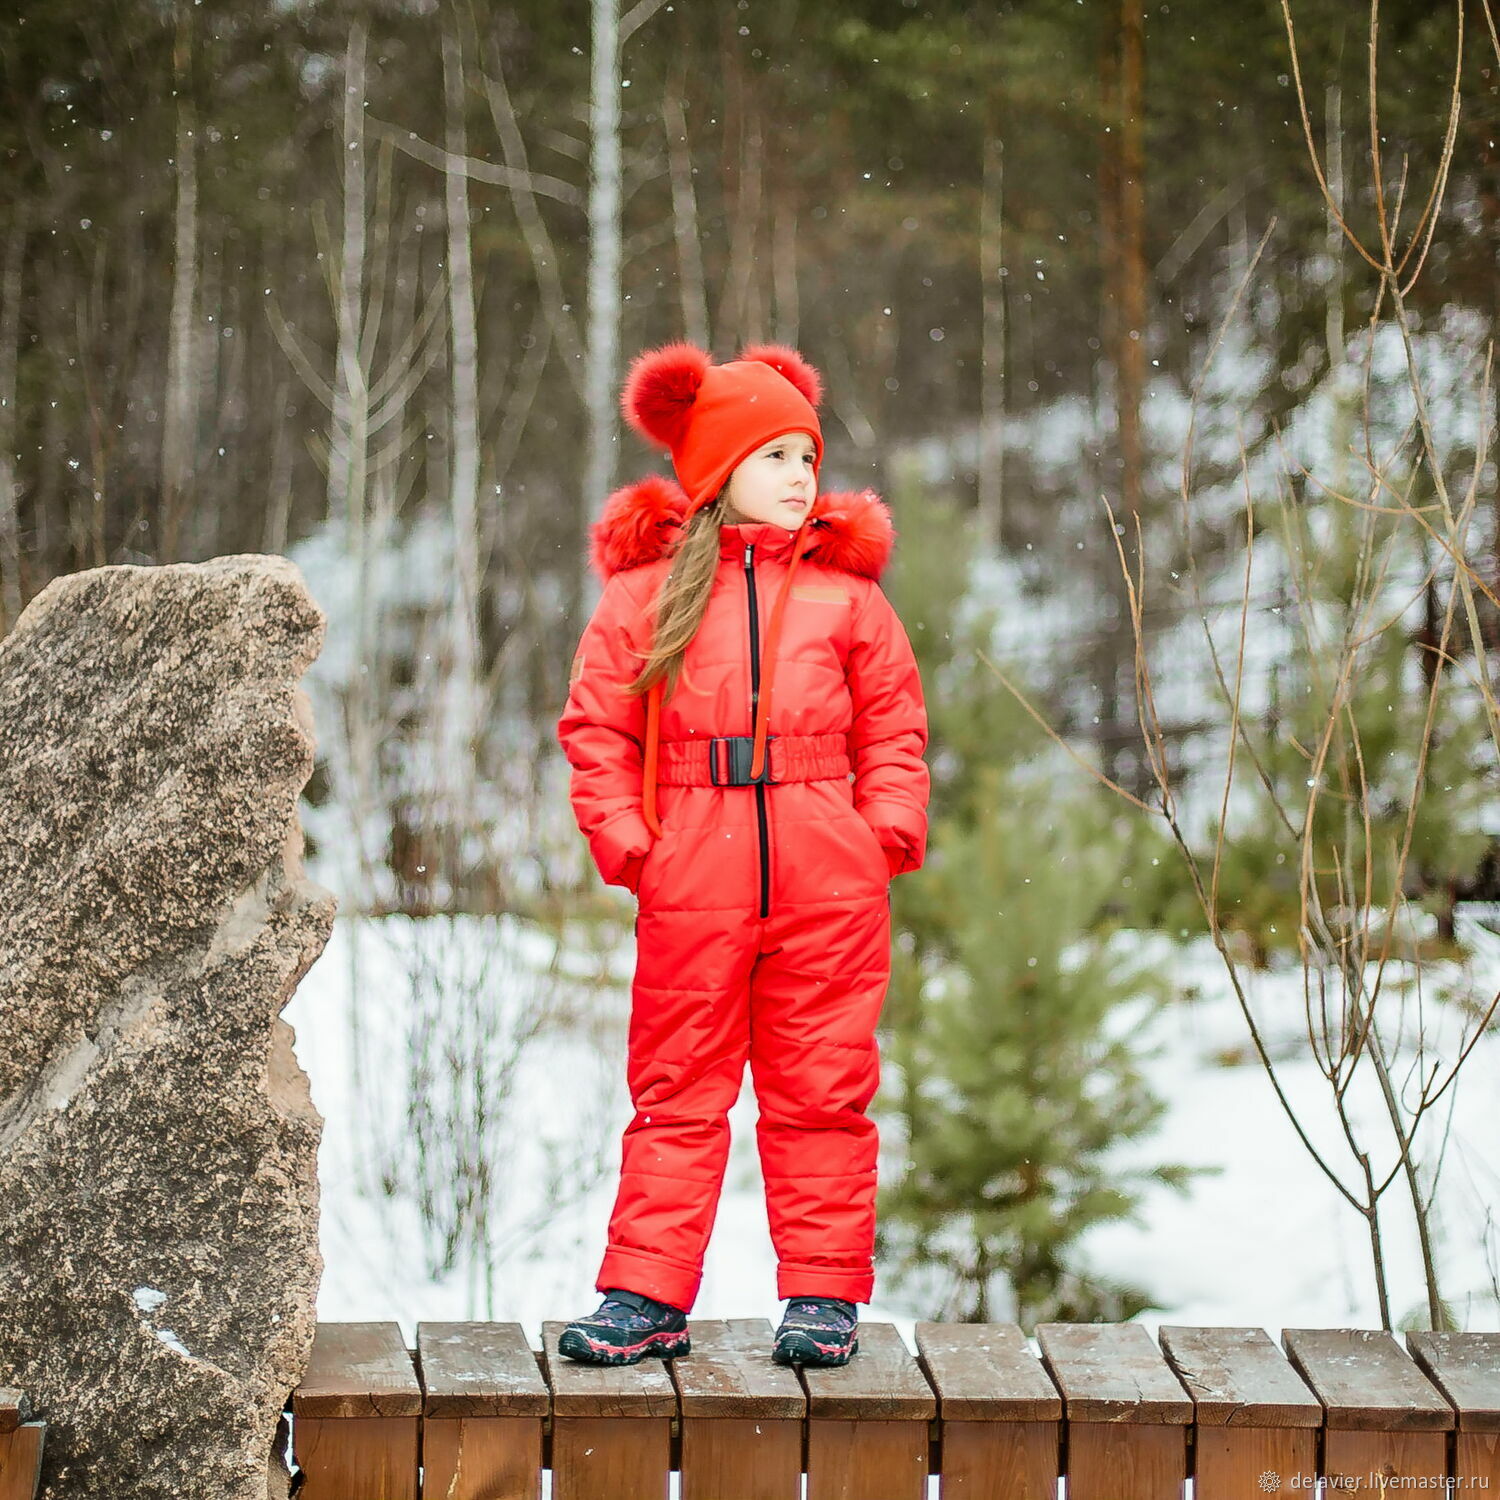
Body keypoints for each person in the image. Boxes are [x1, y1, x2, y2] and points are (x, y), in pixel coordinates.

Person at [554, 340, 930, 1368]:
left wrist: (883, 830)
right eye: (775, 458)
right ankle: (644, 1293)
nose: (801, 477)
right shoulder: (645, 595)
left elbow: (894, 724)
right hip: (694, 872)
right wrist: (632, 843)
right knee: (677, 1089)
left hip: (828, 879)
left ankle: (821, 1296)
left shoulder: (848, 597)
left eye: (807, 458)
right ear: (717, 469)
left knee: (822, 1092)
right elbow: (597, 729)